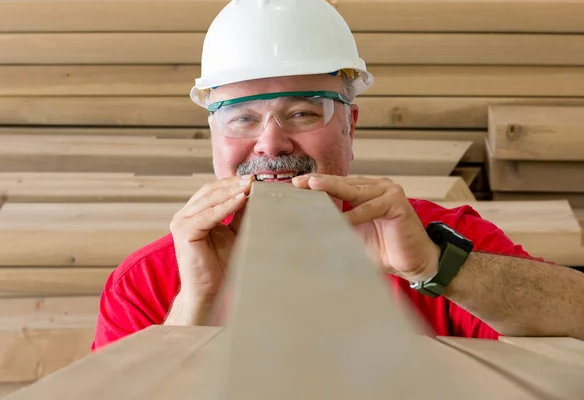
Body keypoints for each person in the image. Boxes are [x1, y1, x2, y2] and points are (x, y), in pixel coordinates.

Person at [91, 0, 584, 351]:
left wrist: (436, 268)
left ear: (350, 123)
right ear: (214, 133)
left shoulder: (433, 240)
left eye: (303, 112)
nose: (270, 144)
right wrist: (193, 308)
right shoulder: (148, 281)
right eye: (241, 118)